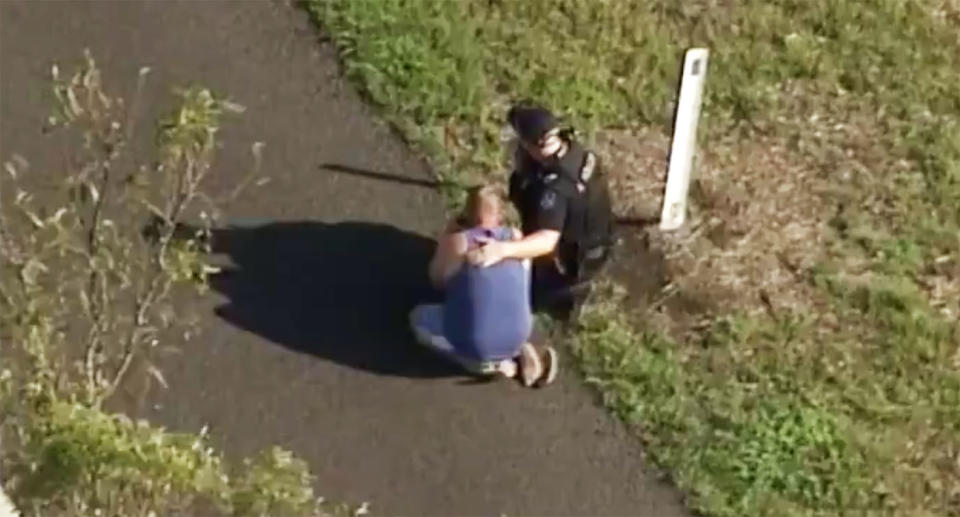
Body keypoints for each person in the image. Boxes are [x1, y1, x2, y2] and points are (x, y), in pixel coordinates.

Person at [466, 103, 615, 321]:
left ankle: (551, 302)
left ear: (535, 145)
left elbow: (546, 240)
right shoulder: (577, 153)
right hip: (595, 236)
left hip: (573, 258)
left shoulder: (555, 188)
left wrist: (501, 250)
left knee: (521, 293)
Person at [409, 185, 559, 387]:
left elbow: (436, 279)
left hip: (474, 343)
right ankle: (516, 350)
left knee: (419, 318)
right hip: (518, 330)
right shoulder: (515, 238)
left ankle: (495, 365)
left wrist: (448, 235)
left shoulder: (459, 242)